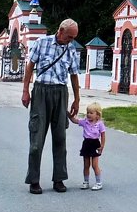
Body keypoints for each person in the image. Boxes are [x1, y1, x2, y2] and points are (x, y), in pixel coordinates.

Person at [22, 18, 81, 194]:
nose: (71, 40)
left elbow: (74, 75)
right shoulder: (41, 42)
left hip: (61, 92)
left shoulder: (71, 49)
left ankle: (59, 179)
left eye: (73, 38)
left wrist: (77, 99)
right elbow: (30, 66)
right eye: (69, 37)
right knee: (36, 139)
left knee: (60, 138)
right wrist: (25, 90)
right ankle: (34, 180)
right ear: (60, 31)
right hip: (41, 91)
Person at [71, 102, 106, 190]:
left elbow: (103, 135)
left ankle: (98, 183)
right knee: (86, 165)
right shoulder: (85, 122)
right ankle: (86, 182)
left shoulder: (100, 124)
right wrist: (70, 115)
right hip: (86, 144)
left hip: (95, 144)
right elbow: (75, 121)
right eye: (87, 112)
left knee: (95, 165)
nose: (88, 115)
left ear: (97, 115)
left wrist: (102, 146)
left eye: (91, 113)